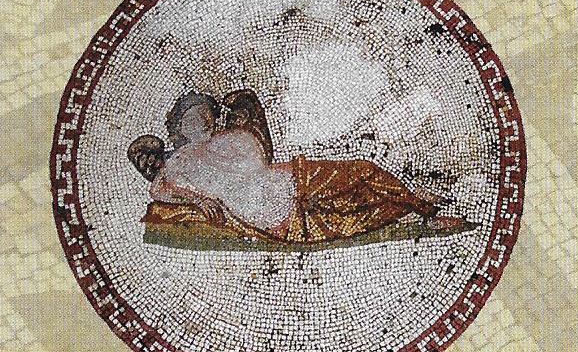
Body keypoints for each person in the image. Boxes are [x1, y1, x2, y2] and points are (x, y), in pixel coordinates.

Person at [128, 90, 465, 244]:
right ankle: (423, 210)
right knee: (359, 181)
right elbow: (158, 189)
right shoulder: (179, 161)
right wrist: (197, 198)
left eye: (206, 114)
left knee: (361, 173)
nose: (203, 121)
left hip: (287, 179)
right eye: (193, 118)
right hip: (277, 199)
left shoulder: (220, 141)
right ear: (180, 127)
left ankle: (418, 204)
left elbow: (257, 156)